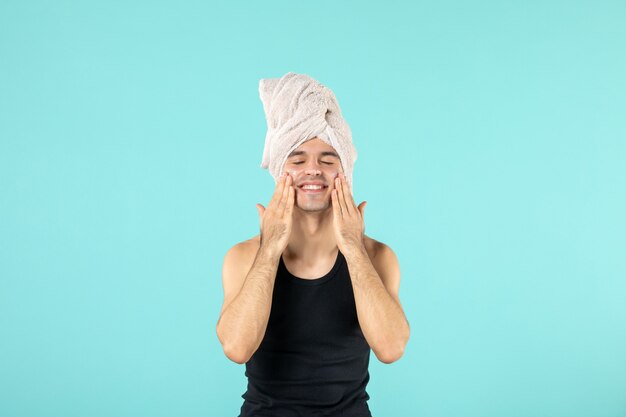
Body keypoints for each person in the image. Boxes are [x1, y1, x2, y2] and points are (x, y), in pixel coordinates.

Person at [216, 72, 410, 417]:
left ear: (345, 172)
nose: (313, 170)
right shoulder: (244, 256)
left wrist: (353, 247)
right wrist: (271, 247)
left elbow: (391, 348)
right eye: (297, 158)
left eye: (328, 159)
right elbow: (236, 347)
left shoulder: (378, 256)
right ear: (279, 169)